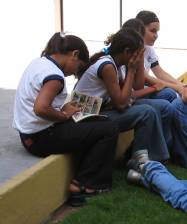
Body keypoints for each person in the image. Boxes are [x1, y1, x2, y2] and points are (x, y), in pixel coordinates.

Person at [12, 32, 119, 207]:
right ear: (74, 55)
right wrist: (63, 115)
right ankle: (85, 185)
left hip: (30, 134)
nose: (74, 73)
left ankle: (85, 178)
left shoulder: (39, 63)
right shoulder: (55, 76)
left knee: (103, 123)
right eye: (78, 67)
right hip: (41, 138)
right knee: (109, 130)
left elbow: (38, 103)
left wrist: (64, 110)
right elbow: (40, 108)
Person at [75, 28, 171, 162]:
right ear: (127, 52)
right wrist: (131, 70)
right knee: (147, 112)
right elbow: (121, 104)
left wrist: (135, 73)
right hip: (85, 116)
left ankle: (147, 156)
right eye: (138, 54)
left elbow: (128, 95)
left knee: (161, 106)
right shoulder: (107, 66)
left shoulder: (117, 65)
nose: (139, 59)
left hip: (101, 109)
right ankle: (144, 160)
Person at [135, 10, 183, 102]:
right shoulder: (133, 49)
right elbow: (146, 78)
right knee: (170, 94)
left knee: (172, 94)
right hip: (134, 93)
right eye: (153, 31)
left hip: (142, 90)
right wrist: (177, 87)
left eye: (157, 32)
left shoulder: (148, 48)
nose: (156, 35)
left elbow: (159, 72)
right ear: (140, 29)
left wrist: (182, 85)